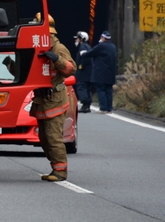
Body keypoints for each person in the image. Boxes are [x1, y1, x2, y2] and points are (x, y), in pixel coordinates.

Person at [29, 13, 76, 182]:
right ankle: (55, 167)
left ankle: (60, 172)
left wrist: (57, 59)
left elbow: (71, 69)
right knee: (44, 138)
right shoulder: (38, 48)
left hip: (55, 99)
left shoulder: (58, 48)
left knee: (53, 137)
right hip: (42, 100)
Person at [81, 31, 117, 114]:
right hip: (110, 74)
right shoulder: (113, 47)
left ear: (104, 38)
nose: (100, 39)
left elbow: (91, 53)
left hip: (101, 73)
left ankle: (103, 108)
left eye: (101, 38)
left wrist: (83, 54)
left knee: (101, 90)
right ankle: (109, 108)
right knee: (108, 91)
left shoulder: (101, 46)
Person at [73, 31, 93, 113]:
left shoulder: (83, 47)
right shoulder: (87, 46)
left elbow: (85, 57)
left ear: (82, 39)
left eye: (77, 38)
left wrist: (81, 66)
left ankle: (85, 105)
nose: (76, 40)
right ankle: (87, 105)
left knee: (81, 87)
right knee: (87, 88)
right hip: (88, 72)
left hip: (83, 73)